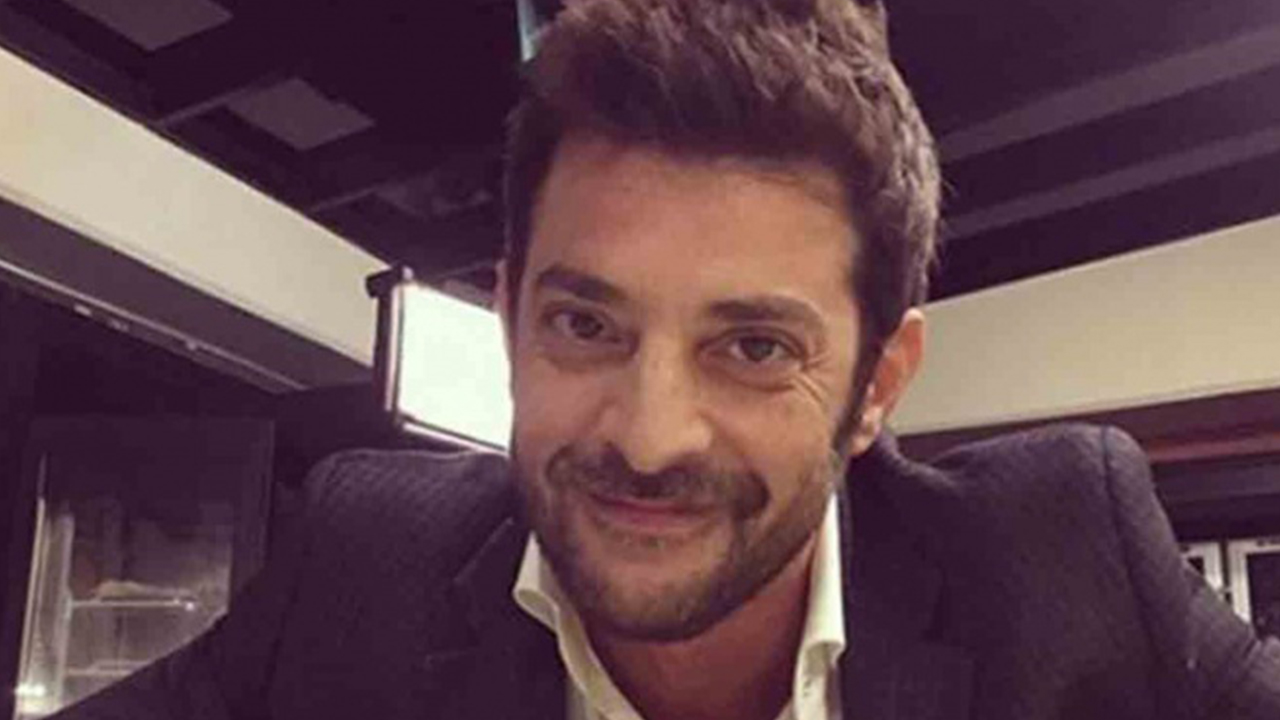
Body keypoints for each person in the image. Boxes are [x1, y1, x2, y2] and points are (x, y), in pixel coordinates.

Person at [53, 0, 1280, 718]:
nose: (647, 436)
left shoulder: (1063, 561)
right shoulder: (363, 560)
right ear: (509, 320)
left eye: (752, 346)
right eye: (586, 326)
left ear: (876, 384)